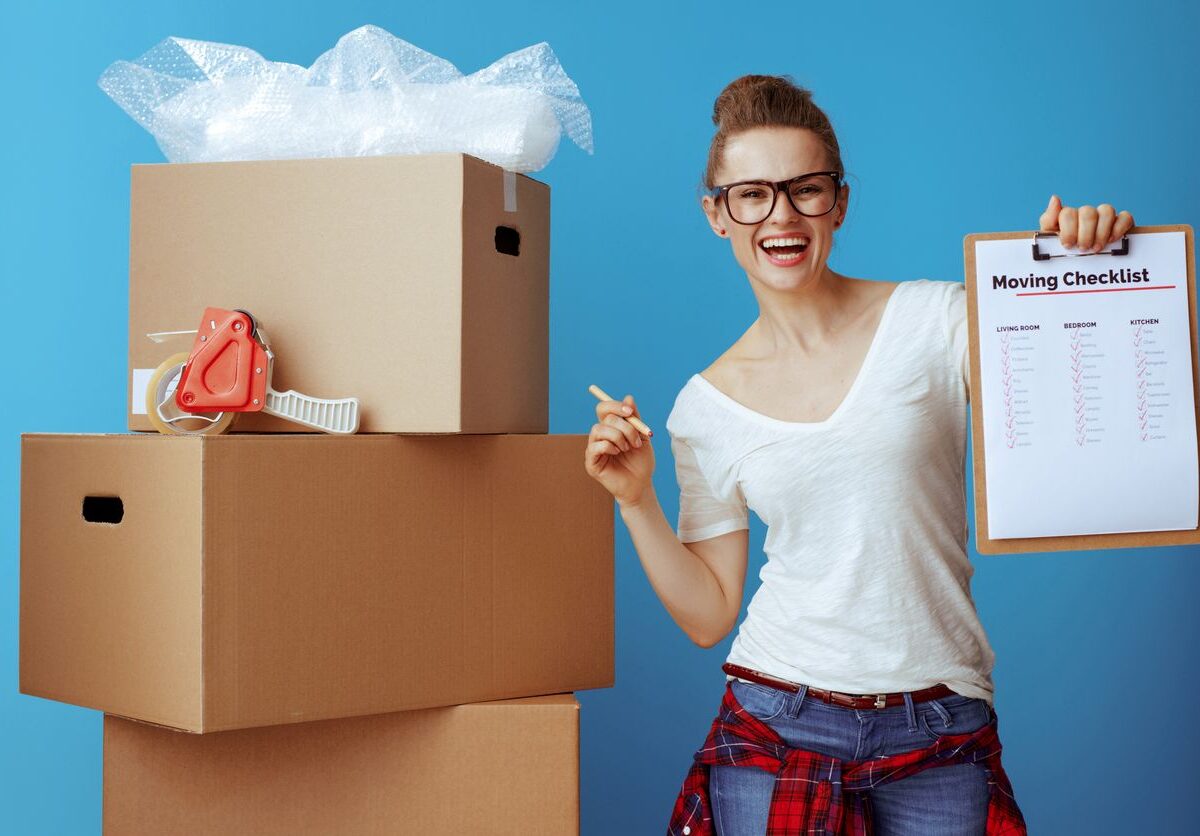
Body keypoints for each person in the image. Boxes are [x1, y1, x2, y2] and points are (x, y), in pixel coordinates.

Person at [582, 74, 1134, 835]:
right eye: (752, 195)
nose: (781, 215)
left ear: (839, 202)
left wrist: (1081, 270)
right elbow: (709, 615)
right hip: (777, 717)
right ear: (717, 215)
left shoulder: (937, 318)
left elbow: (1082, 399)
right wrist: (636, 500)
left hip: (939, 721)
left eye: (805, 189)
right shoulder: (703, 407)